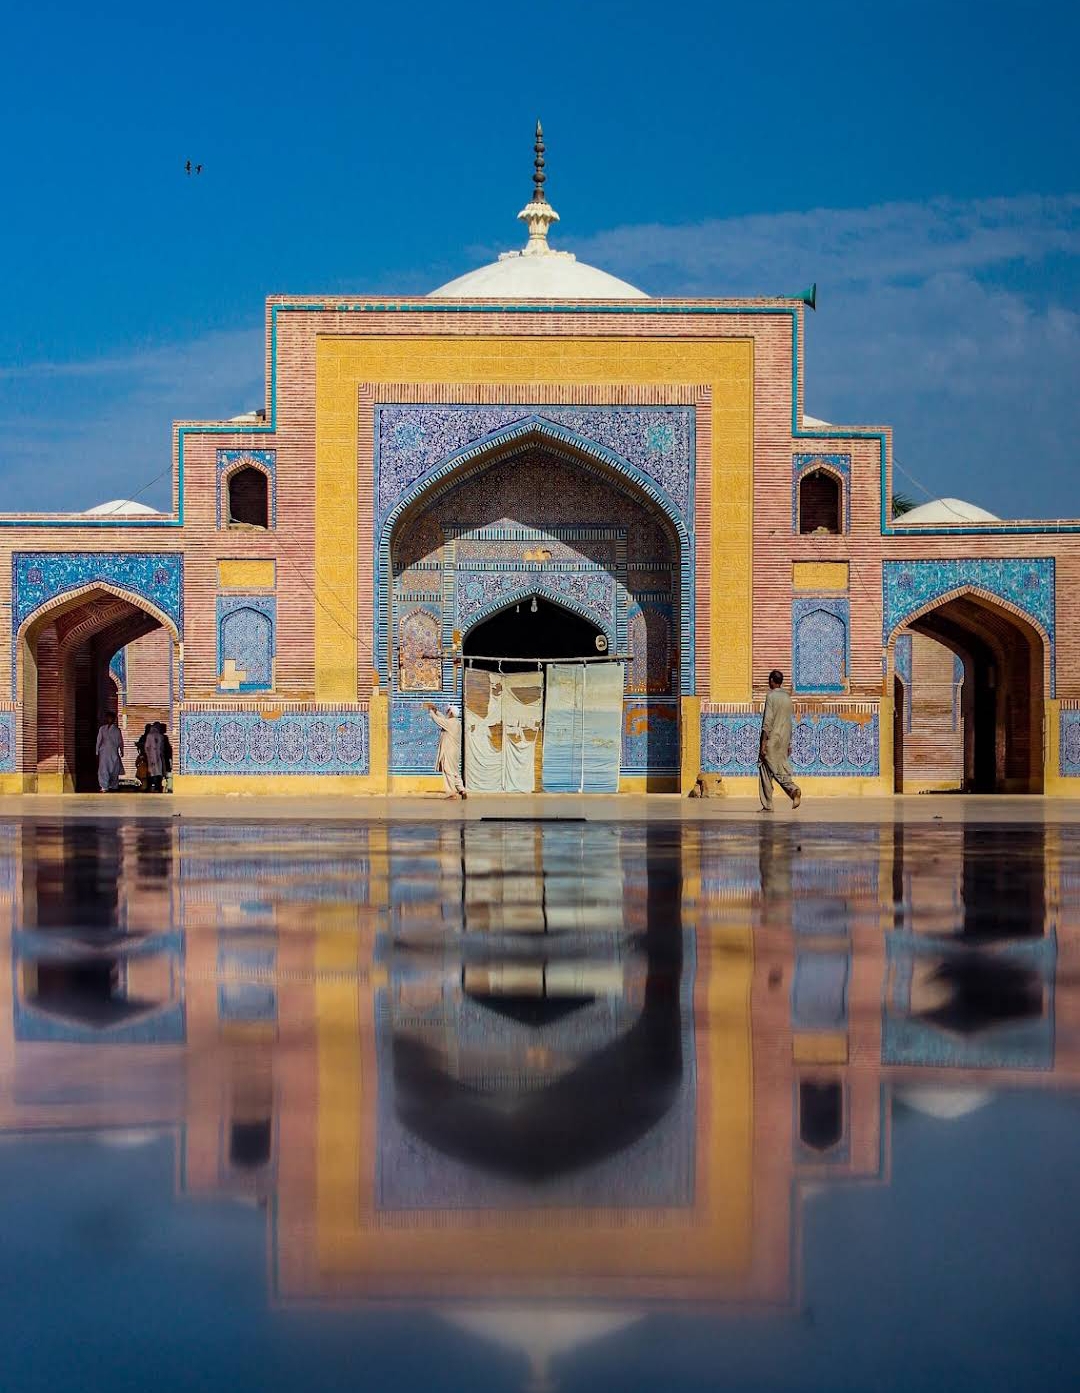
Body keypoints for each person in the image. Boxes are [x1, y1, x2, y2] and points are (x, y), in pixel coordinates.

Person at [759, 669, 802, 813]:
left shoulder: (771, 696)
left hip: (772, 739)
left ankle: (792, 790)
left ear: (772, 680)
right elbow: (788, 722)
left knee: (768, 768)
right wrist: (789, 743)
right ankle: (770, 803)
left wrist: (763, 743)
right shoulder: (787, 698)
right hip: (784, 740)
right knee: (779, 767)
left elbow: (768, 721)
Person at [426, 702, 466, 799]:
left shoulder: (450, 723)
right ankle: (462, 790)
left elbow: (438, 720)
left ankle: (451, 793)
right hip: (454, 752)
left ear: (451, 713)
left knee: (448, 770)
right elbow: (444, 719)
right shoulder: (455, 723)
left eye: (448, 711)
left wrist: (431, 711)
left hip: (449, 751)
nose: (447, 712)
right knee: (454, 772)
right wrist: (437, 711)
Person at [95, 711, 125, 793]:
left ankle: (114, 785)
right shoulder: (102, 729)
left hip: (113, 752)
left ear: (114, 719)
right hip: (104, 752)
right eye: (108, 718)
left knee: (114, 769)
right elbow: (99, 741)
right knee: (103, 769)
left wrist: (122, 750)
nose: (109, 719)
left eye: (111, 718)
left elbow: (120, 742)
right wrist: (97, 751)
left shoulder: (117, 730)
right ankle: (104, 786)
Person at [144, 722, 166, 792]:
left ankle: (158, 786)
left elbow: (162, 747)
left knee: (159, 770)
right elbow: (147, 747)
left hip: (158, 756)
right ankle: (152, 785)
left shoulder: (160, 736)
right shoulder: (149, 736)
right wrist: (148, 755)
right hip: (152, 755)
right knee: (153, 771)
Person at [135, 723, 153, 791]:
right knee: (143, 772)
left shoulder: (152, 738)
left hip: (149, 757)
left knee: (146, 772)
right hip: (144, 757)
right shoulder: (144, 737)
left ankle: (146, 786)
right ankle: (145, 785)